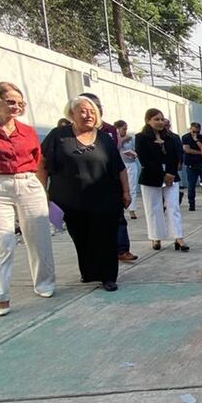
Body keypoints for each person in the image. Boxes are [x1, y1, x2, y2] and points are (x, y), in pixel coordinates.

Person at [0, 82, 55, 316]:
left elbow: (36, 158)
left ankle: (44, 283)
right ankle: (0, 295)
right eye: (10, 102)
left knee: (39, 237)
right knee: (2, 242)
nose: (16, 106)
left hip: (28, 182)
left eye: (19, 102)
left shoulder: (27, 131)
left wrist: (33, 183)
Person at [41, 96, 129, 292]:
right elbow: (43, 163)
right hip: (69, 199)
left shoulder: (104, 138)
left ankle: (108, 276)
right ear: (72, 114)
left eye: (92, 112)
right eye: (83, 111)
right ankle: (89, 272)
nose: (88, 115)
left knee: (106, 236)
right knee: (81, 237)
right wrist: (42, 190)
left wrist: (126, 191)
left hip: (105, 197)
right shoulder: (58, 135)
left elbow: (119, 167)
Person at [81, 93, 136, 263]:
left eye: (98, 106)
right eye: (89, 107)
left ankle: (122, 249)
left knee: (117, 218)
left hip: (110, 184)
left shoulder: (109, 130)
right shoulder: (66, 133)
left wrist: (125, 190)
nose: (95, 110)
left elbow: (117, 161)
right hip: (85, 187)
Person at [136, 109, 187, 251]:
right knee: (153, 207)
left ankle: (178, 237)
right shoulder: (141, 137)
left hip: (171, 176)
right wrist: (162, 174)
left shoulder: (170, 137)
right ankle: (156, 237)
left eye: (161, 119)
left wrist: (171, 173)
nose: (160, 122)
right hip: (151, 176)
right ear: (148, 121)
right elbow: (145, 159)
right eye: (156, 119)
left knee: (173, 206)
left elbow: (176, 156)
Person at [182, 122, 202, 213]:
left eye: (197, 132)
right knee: (191, 186)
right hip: (191, 165)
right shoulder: (185, 137)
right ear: (190, 129)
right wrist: (201, 153)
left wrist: (196, 140)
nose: (195, 134)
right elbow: (187, 150)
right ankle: (191, 204)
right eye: (193, 131)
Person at [115, 120, 140, 219]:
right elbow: (115, 148)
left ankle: (132, 210)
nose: (125, 131)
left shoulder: (131, 138)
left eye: (126, 129)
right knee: (120, 187)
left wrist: (134, 154)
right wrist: (122, 140)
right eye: (123, 129)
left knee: (132, 187)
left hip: (131, 163)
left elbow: (136, 149)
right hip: (120, 165)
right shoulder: (114, 138)